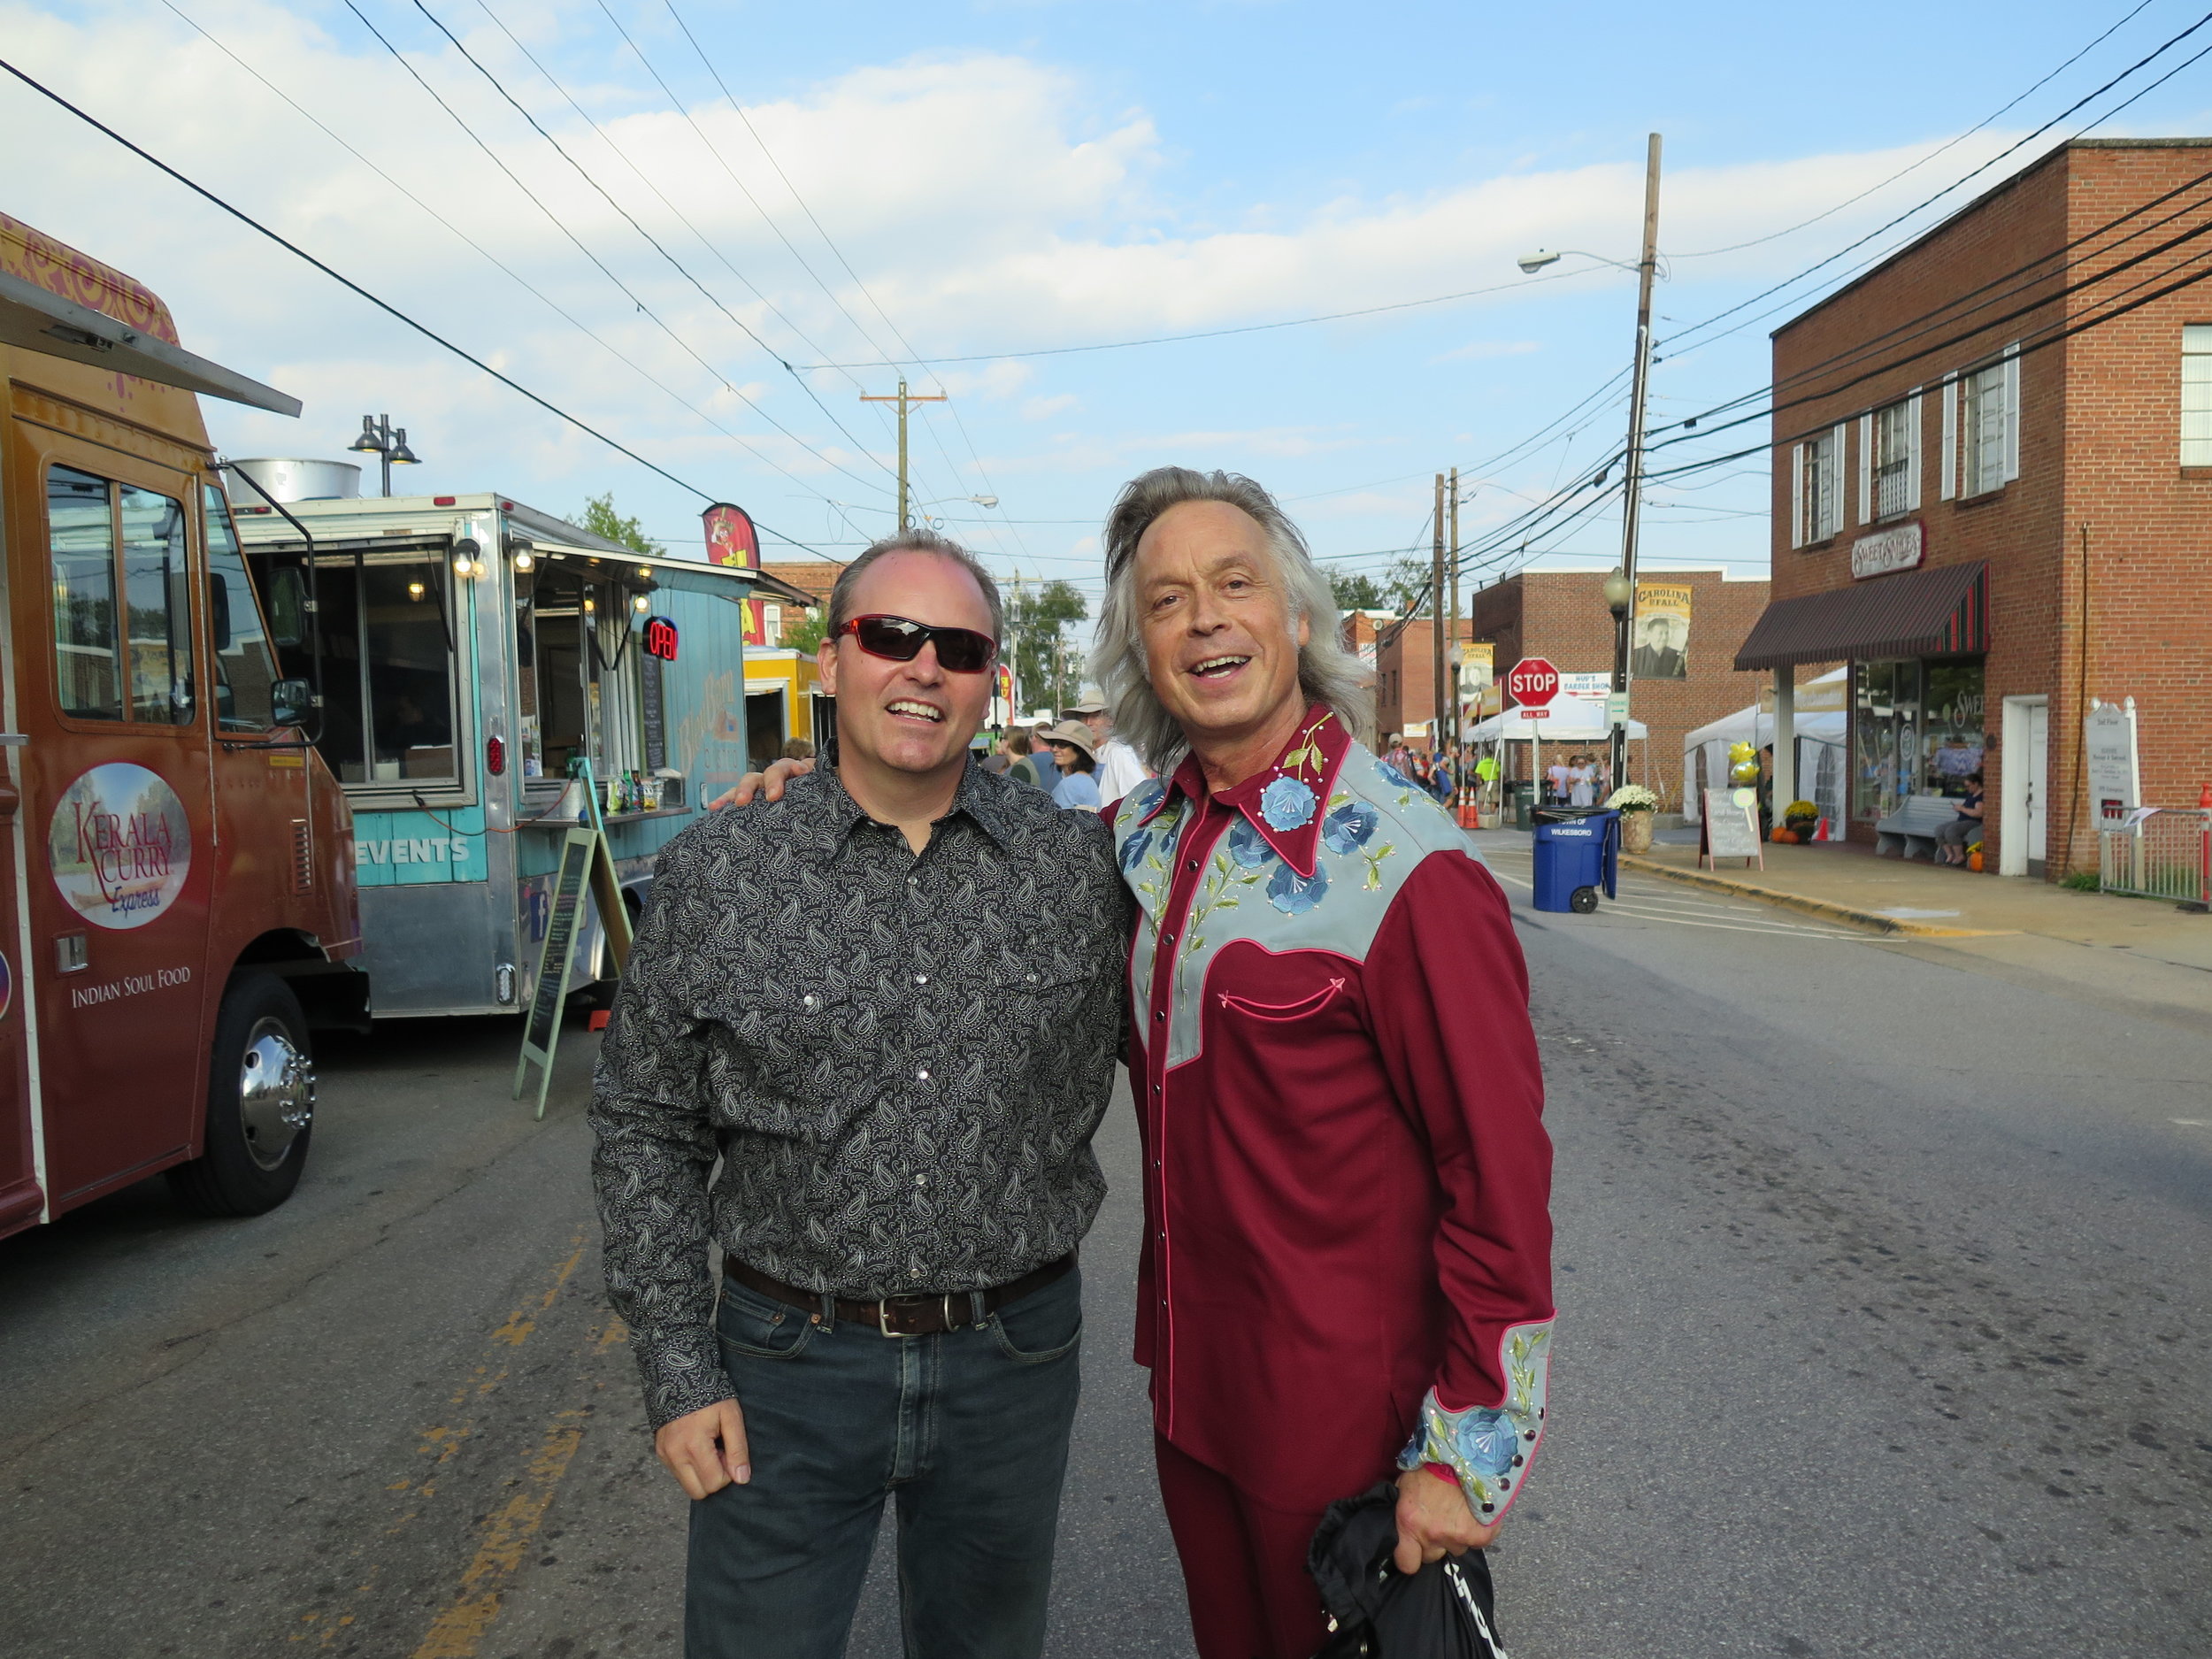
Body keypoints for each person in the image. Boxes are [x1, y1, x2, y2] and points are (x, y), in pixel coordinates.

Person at [590, 529, 1130, 1659]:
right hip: (785, 1366)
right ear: (830, 662)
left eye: (960, 647)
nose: (923, 667)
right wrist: (678, 1369)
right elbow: (645, 1125)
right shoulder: (723, 872)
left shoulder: (1080, 873)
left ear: (992, 683)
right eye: (890, 635)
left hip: (1013, 1360)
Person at [1093, 466, 1553, 1659]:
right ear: (1142, 651)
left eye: (1234, 582)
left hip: (1342, 1425)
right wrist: (832, 791)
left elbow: (1499, 1180)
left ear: (1296, 617)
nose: (1204, 617)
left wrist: (1466, 1451)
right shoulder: (1142, 841)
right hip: (1193, 1402)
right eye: (1166, 599)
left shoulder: (1412, 868)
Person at [1064, 689, 1150, 800]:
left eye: (1095, 716)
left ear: (1111, 720)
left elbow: (1139, 798)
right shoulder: (1084, 754)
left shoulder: (1119, 752)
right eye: (1084, 717)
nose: (1088, 723)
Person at [1043, 720, 1102, 811]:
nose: (1054, 749)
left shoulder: (1069, 785)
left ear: (1078, 750)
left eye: (1062, 745)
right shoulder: (1088, 781)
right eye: (1053, 743)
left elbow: (1058, 822)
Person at [1935, 768, 1985, 864]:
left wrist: (1962, 809)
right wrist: (1960, 808)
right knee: (1939, 830)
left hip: (1973, 822)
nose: (1967, 789)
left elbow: (1978, 813)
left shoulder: (1980, 797)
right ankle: (1950, 854)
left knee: (1952, 831)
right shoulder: (1971, 794)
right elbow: (1968, 808)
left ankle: (1960, 856)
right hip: (1962, 820)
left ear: (1976, 784)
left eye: (1968, 786)